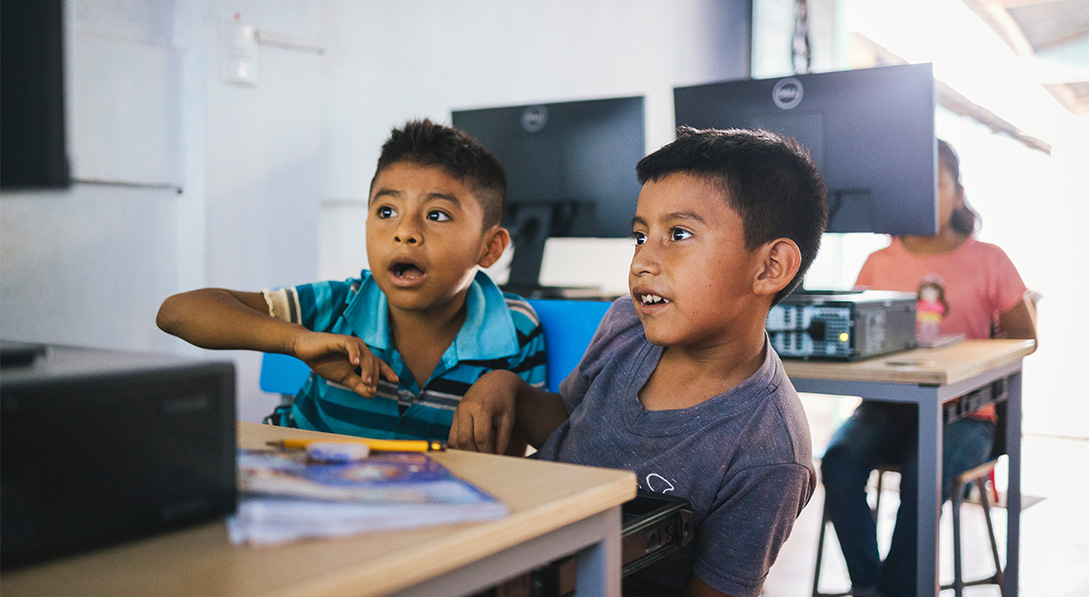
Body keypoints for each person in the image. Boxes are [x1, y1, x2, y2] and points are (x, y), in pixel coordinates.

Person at [449, 127, 829, 597]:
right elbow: (569, 423)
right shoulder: (628, 326)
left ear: (770, 268)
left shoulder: (769, 453)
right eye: (640, 235)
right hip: (512, 558)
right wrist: (508, 389)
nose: (642, 262)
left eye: (679, 234)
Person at [157, 119, 546, 442]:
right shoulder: (342, 303)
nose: (404, 232)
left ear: (490, 249)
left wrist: (506, 394)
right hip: (297, 484)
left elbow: (524, 459)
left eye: (437, 215)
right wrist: (297, 340)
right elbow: (176, 312)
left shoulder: (515, 329)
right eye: (387, 210)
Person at [820, 139, 1038, 597]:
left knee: (925, 473)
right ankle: (871, 587)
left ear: (957, 193)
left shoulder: (989, 259)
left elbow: (1026, 338)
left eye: (934, 184)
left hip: (965, 415)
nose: (922, 195)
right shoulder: (879, 261)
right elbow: (856, 334)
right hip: (885, 409)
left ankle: (900, 591)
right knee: (838, 463)